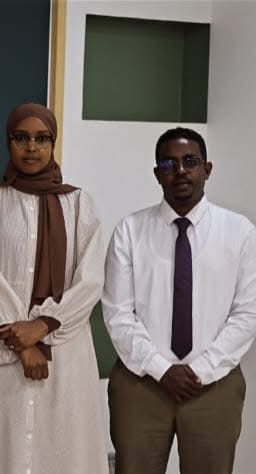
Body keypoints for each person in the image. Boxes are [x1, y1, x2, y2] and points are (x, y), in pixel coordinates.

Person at [0, 103, 109, 474]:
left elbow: (90, 280)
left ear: (53, 143)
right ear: (8, 143)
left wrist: (43, 326)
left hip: (64, 354)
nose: (31, 147)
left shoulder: (79, 205)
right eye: (21, 138)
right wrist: (22, 341)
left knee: (61, 451)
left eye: (41, 139)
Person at [103, 127, 256, 474]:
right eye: (169, 164)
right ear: (157, 174)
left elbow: (247, 315)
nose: (181, 171)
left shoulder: (241, 233)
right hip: (140, 383)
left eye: (190, 161)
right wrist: (162, 369)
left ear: (207, 169)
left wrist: (199, 371)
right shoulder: (129, 231)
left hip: (214, 384)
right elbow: (117, 314)